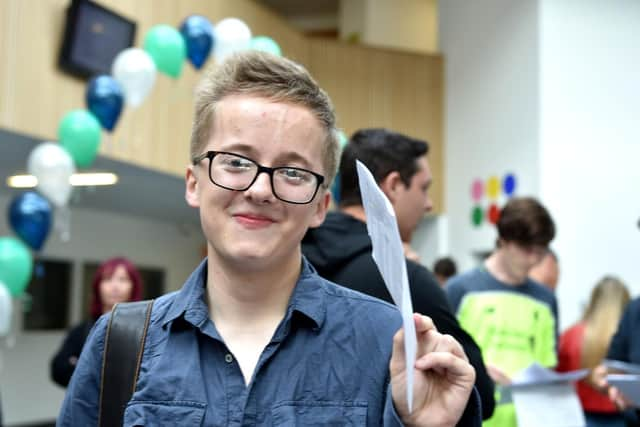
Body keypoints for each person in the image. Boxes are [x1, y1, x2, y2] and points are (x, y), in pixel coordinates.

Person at [58, 52, 479, 426]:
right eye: (237, 162)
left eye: (293, 172)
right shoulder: (122, 343)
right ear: (193, 183)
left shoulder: (389, 345)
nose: (260, 189)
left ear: (320, 205)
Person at [302, 128, 495, 420]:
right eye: (423, 188)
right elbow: (477, 392)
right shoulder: (407, 281)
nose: (428, 203)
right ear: (393, 186)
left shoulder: (296, 262)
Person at [446, 196, 558, 427]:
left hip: (527, 419)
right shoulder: (460, 290)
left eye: (541, 251)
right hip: (473, 417)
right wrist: (478, 370)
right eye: (527, 249)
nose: (534, 259)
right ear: (503, 240)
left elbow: (548, 366)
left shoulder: (546, 300)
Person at [50, 256, 143, 387]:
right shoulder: (81, 331)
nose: (115, 286)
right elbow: (59, 370)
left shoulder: (145, 330)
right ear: (98, 286)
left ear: (133, 286)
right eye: (108, 279)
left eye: (123, 279)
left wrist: (82, 365)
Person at [556, 276, 630, 427]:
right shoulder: (630, 339)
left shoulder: (570, 335)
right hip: (623, 416)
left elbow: (558, 379)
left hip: (581, 417)